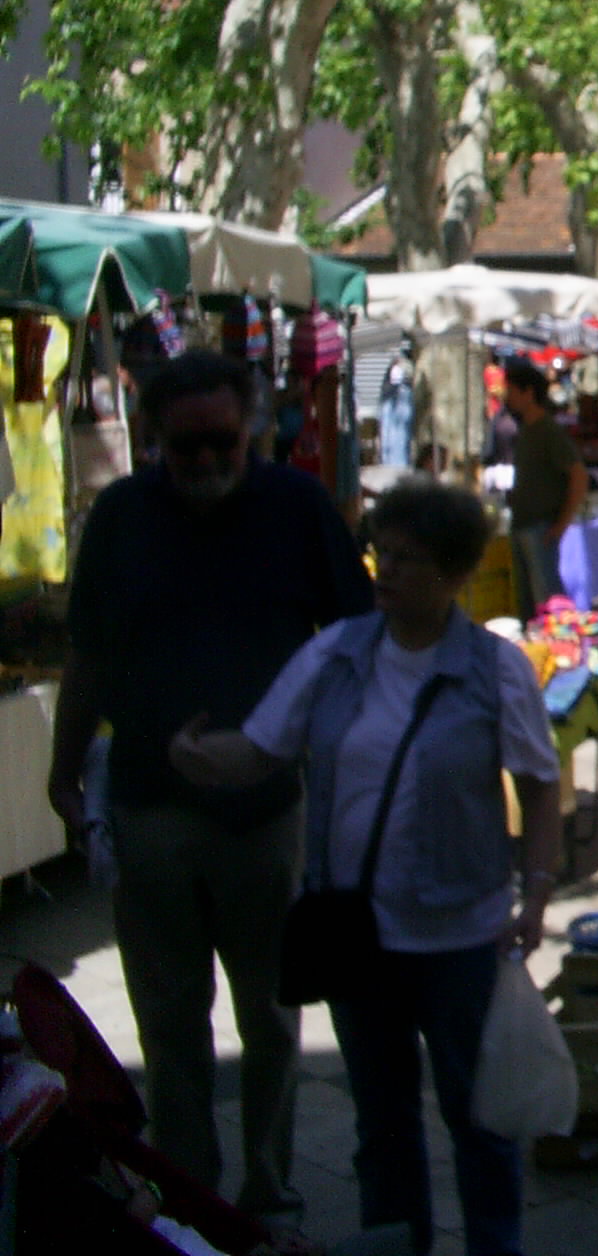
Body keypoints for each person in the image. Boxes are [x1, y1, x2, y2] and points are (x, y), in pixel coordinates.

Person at [171, 479, 560, 1256]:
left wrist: (538, 889)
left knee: (478, 1119)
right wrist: (196, 759)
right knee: (380, 1126)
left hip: (460, 935)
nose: (383, 571)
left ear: (453, 575)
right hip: (357, 936)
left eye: (406, 561)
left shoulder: (495, 668)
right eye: (381, 553)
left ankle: (496, 1246)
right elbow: (262, 747)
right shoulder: (336, 653)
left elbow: (539, 782)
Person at [45, 351, 373, 1227]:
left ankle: (266, 1189)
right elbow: (89, 652)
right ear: (153, 439)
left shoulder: (298, 509)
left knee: (270, 1016)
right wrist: (63, 768)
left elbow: (355, 646)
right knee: (169, 1023)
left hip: (267, 817)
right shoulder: (120, 516)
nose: (202, 461)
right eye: (182, 446)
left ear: (252, 430)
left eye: (219, 440)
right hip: (150, 809)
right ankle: (189, 1193)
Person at [501, 359, 586, 619]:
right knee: (528, 607)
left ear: (528, 393)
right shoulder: (526, 429)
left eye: (511, 391)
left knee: (549, 606)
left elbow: (578, 476)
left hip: (540, 527)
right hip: (522, 523)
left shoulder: (548, 430)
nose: (507, 397)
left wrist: (561, 524)